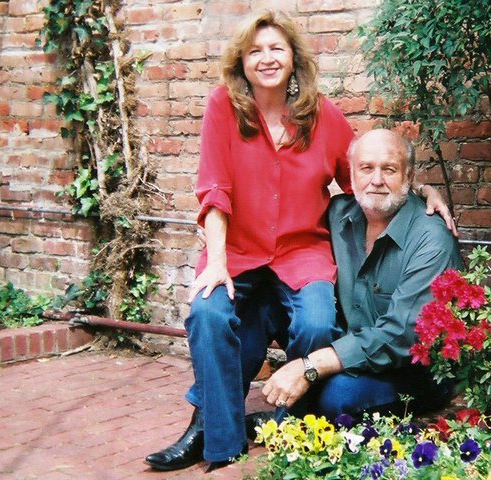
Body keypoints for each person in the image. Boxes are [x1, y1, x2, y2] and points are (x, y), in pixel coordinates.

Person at [144, 11, 454, 473]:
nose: (267, 59)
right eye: (255, 51)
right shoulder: (221, 109)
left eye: (277, 49)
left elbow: (364, 172)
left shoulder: (320, 115)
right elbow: (214, 191)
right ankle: (217, 440)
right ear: (241, 61)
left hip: (301, 255)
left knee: (315, 321)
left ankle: (291, 425)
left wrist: (419, 190)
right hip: (238, 250)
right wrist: (217, 261)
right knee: (209, 314)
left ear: (293, 59)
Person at [261, 129, 463, 420]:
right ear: (352, 174)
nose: (377, 180)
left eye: (389, 170)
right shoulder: (337, 215)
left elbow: (402, 336)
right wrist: (221, 237)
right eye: (366, 168)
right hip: (352, 350)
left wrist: (310, 365)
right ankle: (215, 420)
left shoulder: (431, 240)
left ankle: (296, 423)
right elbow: (279, 233)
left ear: (408, 177)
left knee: (337, 396)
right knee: (259, 302)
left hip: (411, 368)